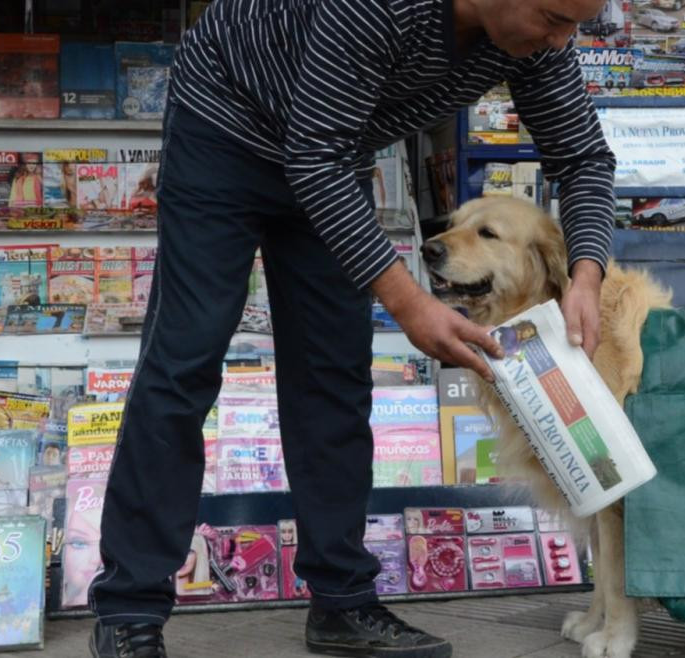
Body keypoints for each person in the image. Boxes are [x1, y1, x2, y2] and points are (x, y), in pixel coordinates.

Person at [86, 1, 616, 657]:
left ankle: (342, 602)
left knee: (333, 372)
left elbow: (584, 157)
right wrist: (409, 303)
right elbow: (313, 157)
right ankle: (129, 609)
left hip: (333, 148)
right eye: (555, 16)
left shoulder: (539, 39)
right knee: (183, 363)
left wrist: (587, 272)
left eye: (576, 24)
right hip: (225, 126)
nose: (564, 39)